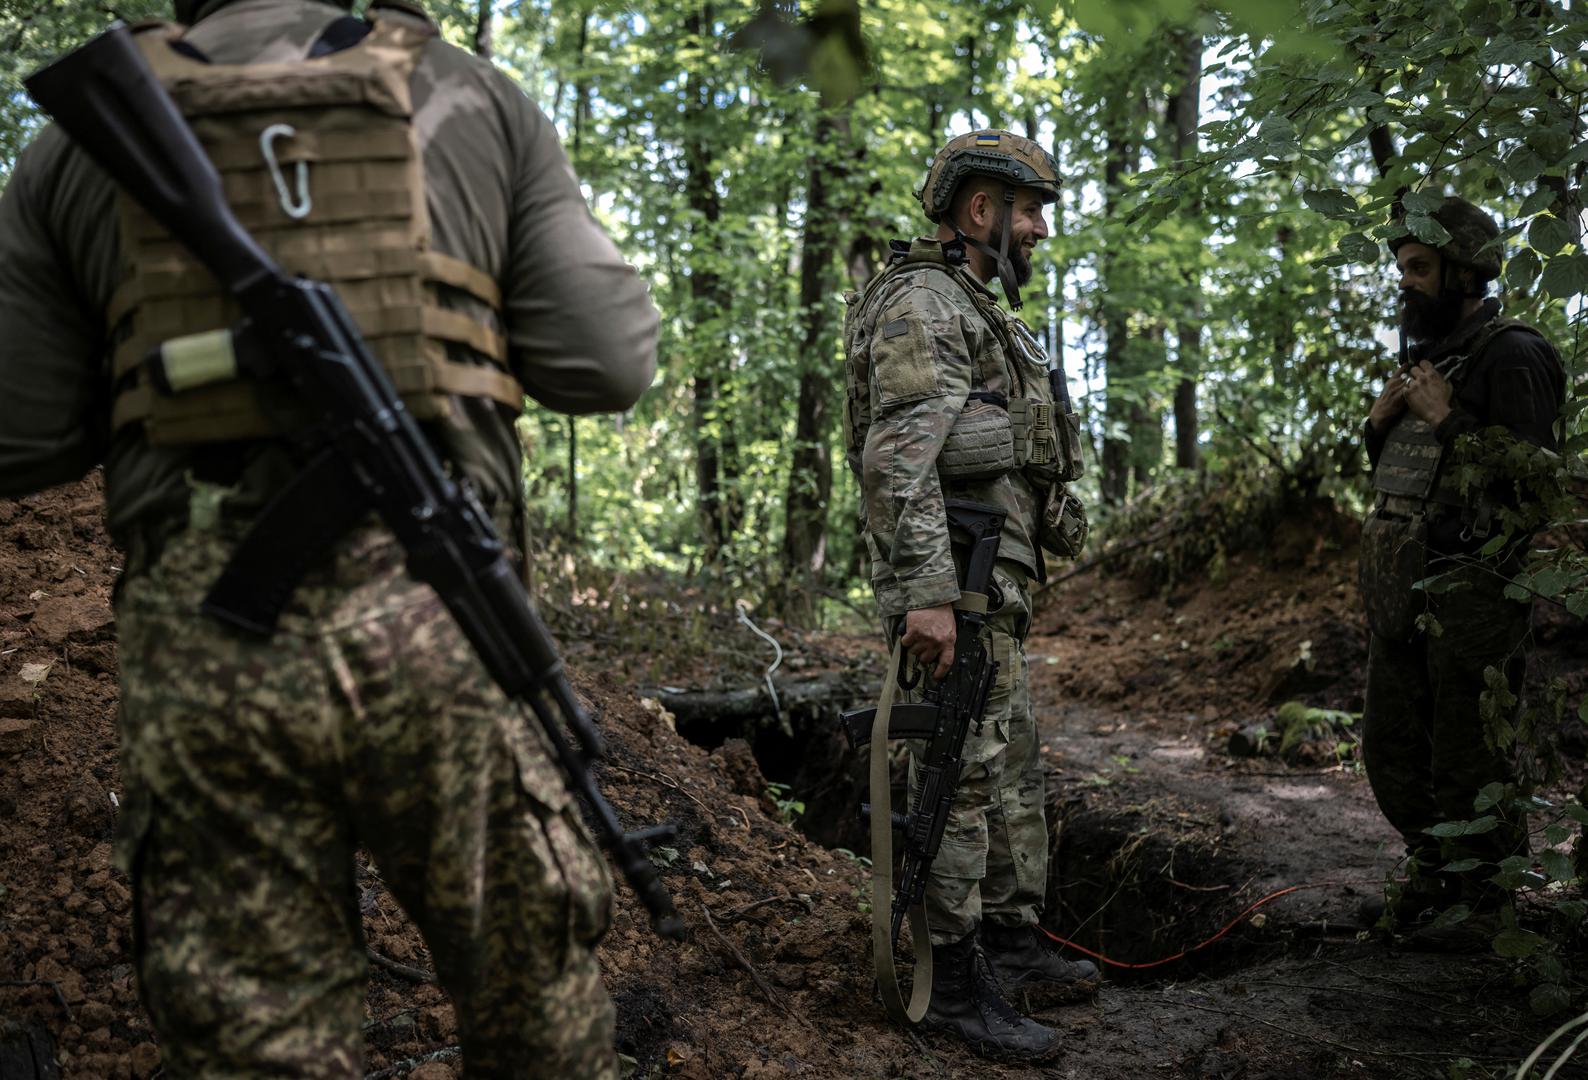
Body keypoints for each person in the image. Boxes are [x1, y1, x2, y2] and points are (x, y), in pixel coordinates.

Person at [0, 0, 658, 1074]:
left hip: (205, 640)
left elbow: (18, 434)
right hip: (446, 621)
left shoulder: (76, 143)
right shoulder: (472, 94)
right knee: (535, 1001)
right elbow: (605, 363)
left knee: (255, 1034)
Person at [841, 129, 1096, 1063]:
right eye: (1027, 210)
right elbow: (897, 460)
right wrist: (928, 596)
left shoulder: (980, 310)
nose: (1037, 229)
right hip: (957, 587)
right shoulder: (922, 303)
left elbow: (1011, 452)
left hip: (993, 590)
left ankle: (1007, 944)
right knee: (958, 775)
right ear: (979, 209)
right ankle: (946, 981)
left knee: (1006, 769)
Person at [1359, 194, 1564, 934]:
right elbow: (1410, 477)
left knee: (1469, 759)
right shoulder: (1431, 358)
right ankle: (1433, 875)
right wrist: (1377, 426)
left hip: (1474, 594)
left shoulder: (1516, 354)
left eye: (1419, 268)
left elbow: (1541, 480)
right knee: (1392, 749)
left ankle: (1481, 904)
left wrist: (1451, 418)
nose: (1405, 282)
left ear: (1466, 273)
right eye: (1403, 268)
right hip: (1405, 589)